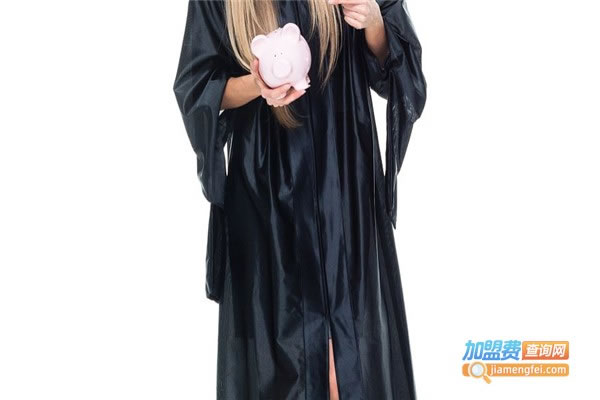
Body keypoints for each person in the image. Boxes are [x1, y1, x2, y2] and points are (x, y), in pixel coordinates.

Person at [173, 0, 427, 398]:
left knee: (350, 361)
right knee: (287, 367)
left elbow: (400, 73)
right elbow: (198, 86)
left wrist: (374, 23)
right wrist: (257, 84)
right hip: (267, 199)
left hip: (344, 185)